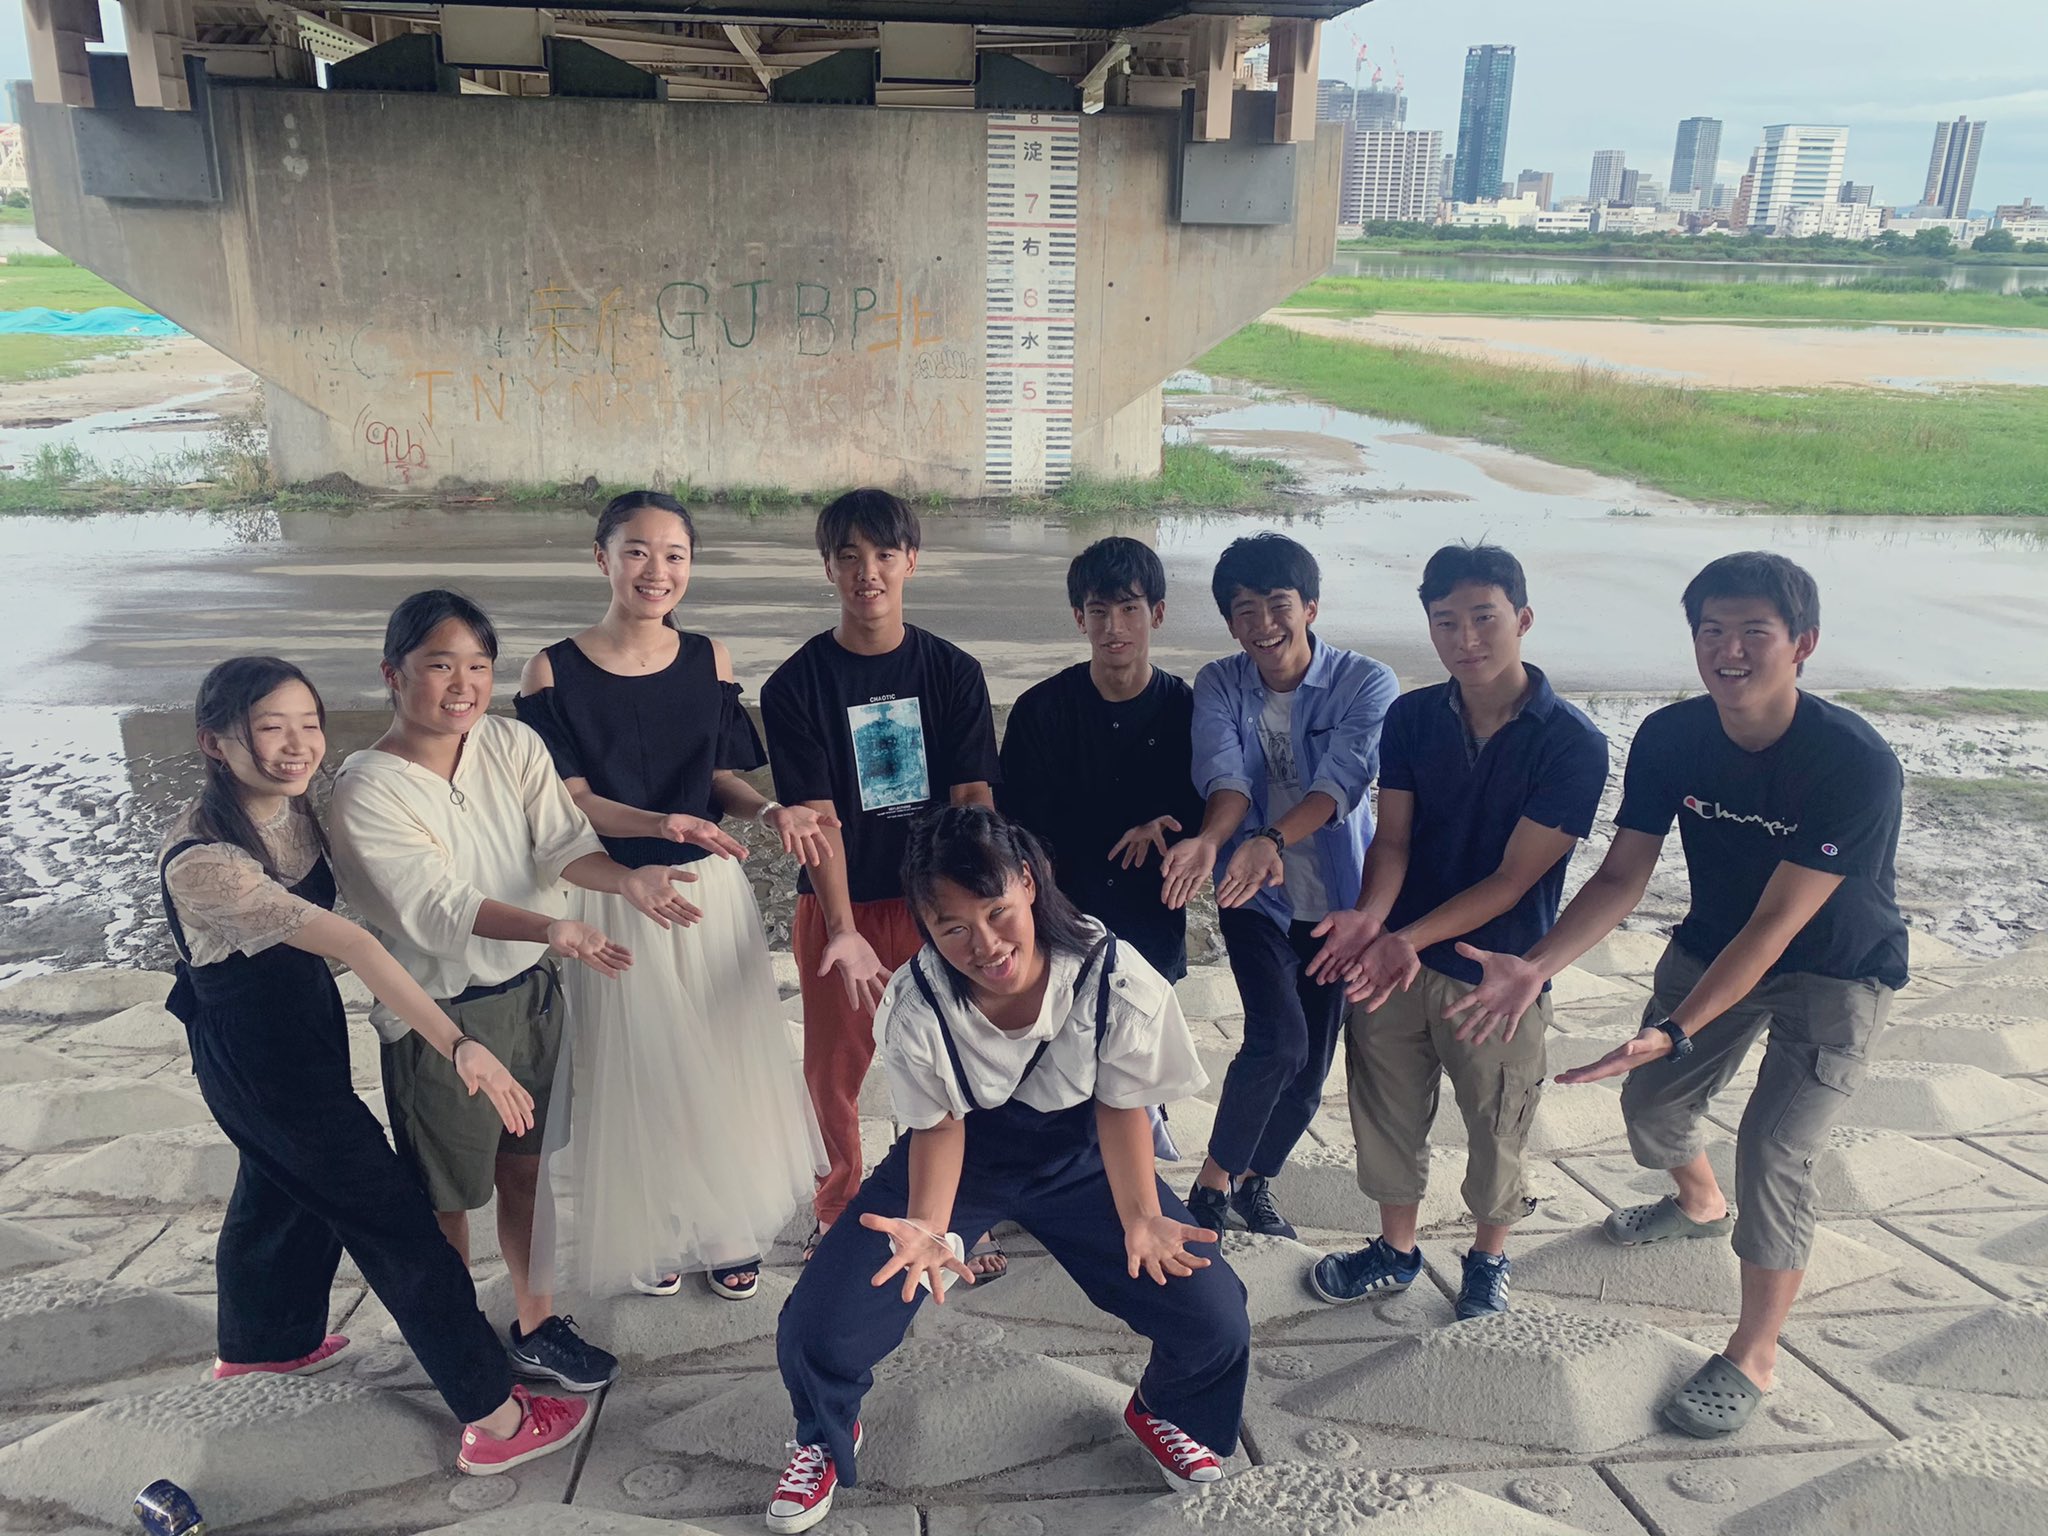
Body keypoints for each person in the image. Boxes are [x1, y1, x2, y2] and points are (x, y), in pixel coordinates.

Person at [1451, 551, 1907, 1437]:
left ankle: (1754, 1354)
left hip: (1836, 970)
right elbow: (1623, 875)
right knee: (1652, 1109)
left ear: (1803, 644)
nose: (1728, 650)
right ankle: (1700, 1204)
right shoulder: (1671, 738)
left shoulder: (1853, 762)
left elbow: (1776, 925)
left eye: (1753, 632)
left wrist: (1676, 1029)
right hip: (1708, 948)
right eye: (1711, 631)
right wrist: (1537, 964)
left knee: (1774, 1150)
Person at [159, 656, 589, 1475]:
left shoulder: (292, 807)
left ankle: (263, 1344)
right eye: (270, 728)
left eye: (309, 723)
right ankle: (494, 1418)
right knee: (395, 1222)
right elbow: (354, 943)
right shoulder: (204, 860)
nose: (297, 745)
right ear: (215, 742)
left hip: (302, 1035)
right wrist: (459, 1043)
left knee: (275, 1190)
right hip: (258, 1060)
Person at [767, 807, 1249, 1534]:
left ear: (1029, 882)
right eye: (953, 927)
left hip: (1083, 1155)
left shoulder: (1113, 976)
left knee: (1215, 1314)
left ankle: (1163, 1408)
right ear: (925, 924)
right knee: (818, 1323)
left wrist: (1143, 1215)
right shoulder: (916, 1002)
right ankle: (825, 1434)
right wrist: (930, 1226)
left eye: (996, 912)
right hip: (966, 1157)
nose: (985, 945)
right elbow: (940, 1127)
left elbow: (1121, 1106)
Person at [329, 589, 701, 1394]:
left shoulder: (510, 742)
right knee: (446, 1197)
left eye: (478, 666)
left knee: (528, 1171)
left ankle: (536, 1324)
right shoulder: (367, 789)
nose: (462, 685)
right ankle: (458, 1340)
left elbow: (565, 845)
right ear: (393, 674)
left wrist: (627, 880)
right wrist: (550, 927)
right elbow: (439, 909)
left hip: (532, 995)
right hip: (442, 1018)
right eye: (440, 665)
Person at [514, 491, 828, 1302]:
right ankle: (655, 1223)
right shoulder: (551, 669)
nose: (657, 571)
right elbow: (572, 802)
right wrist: (660, 822)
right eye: (638, 551)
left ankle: (724, 1225)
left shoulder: (709, 657)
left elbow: (721, 778)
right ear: (603, 558)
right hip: (615, 893)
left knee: (721, 1057)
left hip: (706, 890)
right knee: (636, 1065)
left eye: (675, 555)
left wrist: (769, 811)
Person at [1302, 544, 1609, 1320]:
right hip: (1395, 963)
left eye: (1484, 618)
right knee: (1385, 1109)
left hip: (1498, 971)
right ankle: (1395, 1250)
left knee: (1498, 1118)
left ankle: (1488, 1257)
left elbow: (1513, 878)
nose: (1466, 639)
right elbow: (1393, 842)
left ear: (1523, 619)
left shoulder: (1571, 742)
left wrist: (1406, 936)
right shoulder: (1411, 718)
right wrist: (1373, 919)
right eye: (1446, 622)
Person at [759, 489, 1002, 1270]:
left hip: (937, 901)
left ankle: (960, 1209)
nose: (868, 572)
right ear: (828, 569)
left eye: (884, 555)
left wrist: (973, 906)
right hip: (844, 905)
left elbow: (972, 797)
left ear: (911, 562)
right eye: (850, 557)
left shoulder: (953, 672)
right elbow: (817, 817)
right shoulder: (795, 686)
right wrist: (842, 930)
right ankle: (837, 1208)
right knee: (834, 1069)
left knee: (957, 1053)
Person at [1159, 533, 1397, 1240]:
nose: (1263, 623)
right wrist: (1213, 840)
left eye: (1277, 604)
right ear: (1230, 623)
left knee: (1313, 1064)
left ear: (1310, 607)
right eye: (1244, 610)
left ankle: (1255, 1181)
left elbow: (1340, 783)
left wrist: (1272, 838)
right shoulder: (1220, 683)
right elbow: (1226, 777)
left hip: (1340, 906)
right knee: (1279, 1041)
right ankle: (1211, 1185)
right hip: (1254, 896)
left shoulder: (1366, 683)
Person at [999, 535, 1205, 1159]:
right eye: (1099, 611)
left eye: (1130, 609)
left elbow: (1213, 807)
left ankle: (1137, 1169)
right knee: (1058, 1064)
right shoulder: (1040, 710)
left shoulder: (1189, 711)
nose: (1114, 628)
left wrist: (1171, 827)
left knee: (1137, 1063)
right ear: (1078, 617)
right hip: (1063, 909)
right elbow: (1017, 826)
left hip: (1152, 913)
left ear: (1157, 614)